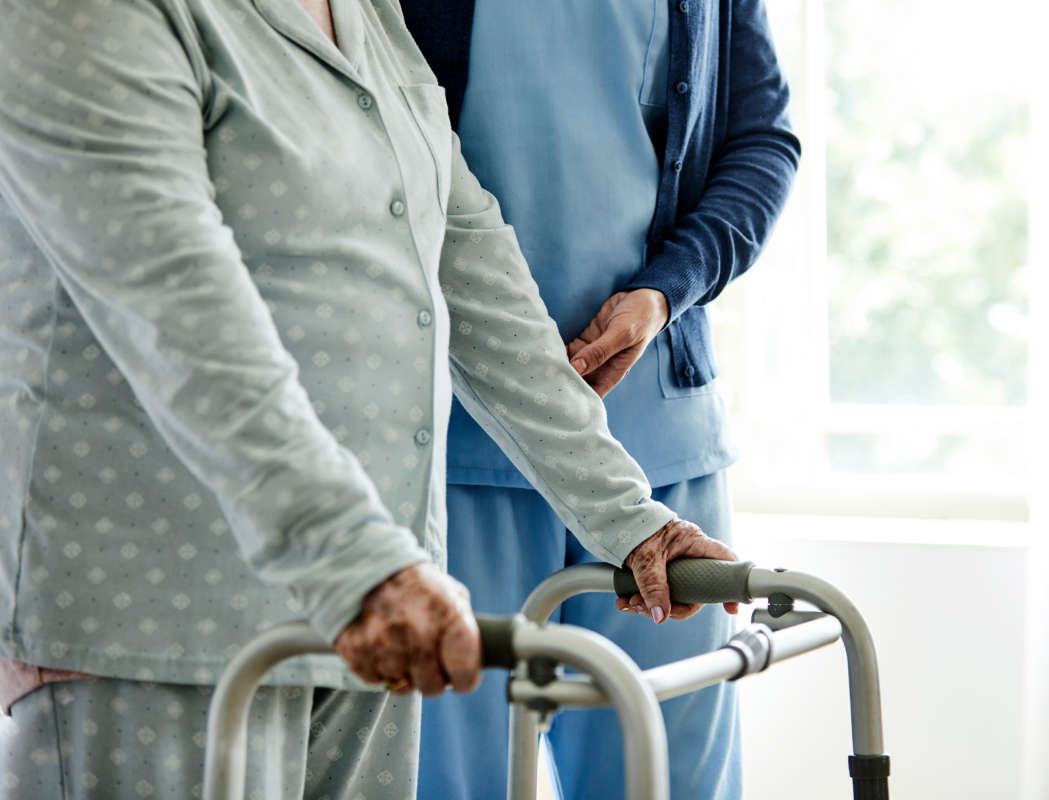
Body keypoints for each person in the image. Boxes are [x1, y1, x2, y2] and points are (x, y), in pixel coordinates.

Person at [0, 0, 737, 796]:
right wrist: (362, 568)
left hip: (362, 624)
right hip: (164, 628)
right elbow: (181, 320)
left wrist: (631, 519)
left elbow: (476, 280)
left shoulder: (364, 14)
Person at [402, 1, 801, 797]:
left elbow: (762, 142)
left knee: (665, 782)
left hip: (656, 447)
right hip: (452, 447)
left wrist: (666, 290)